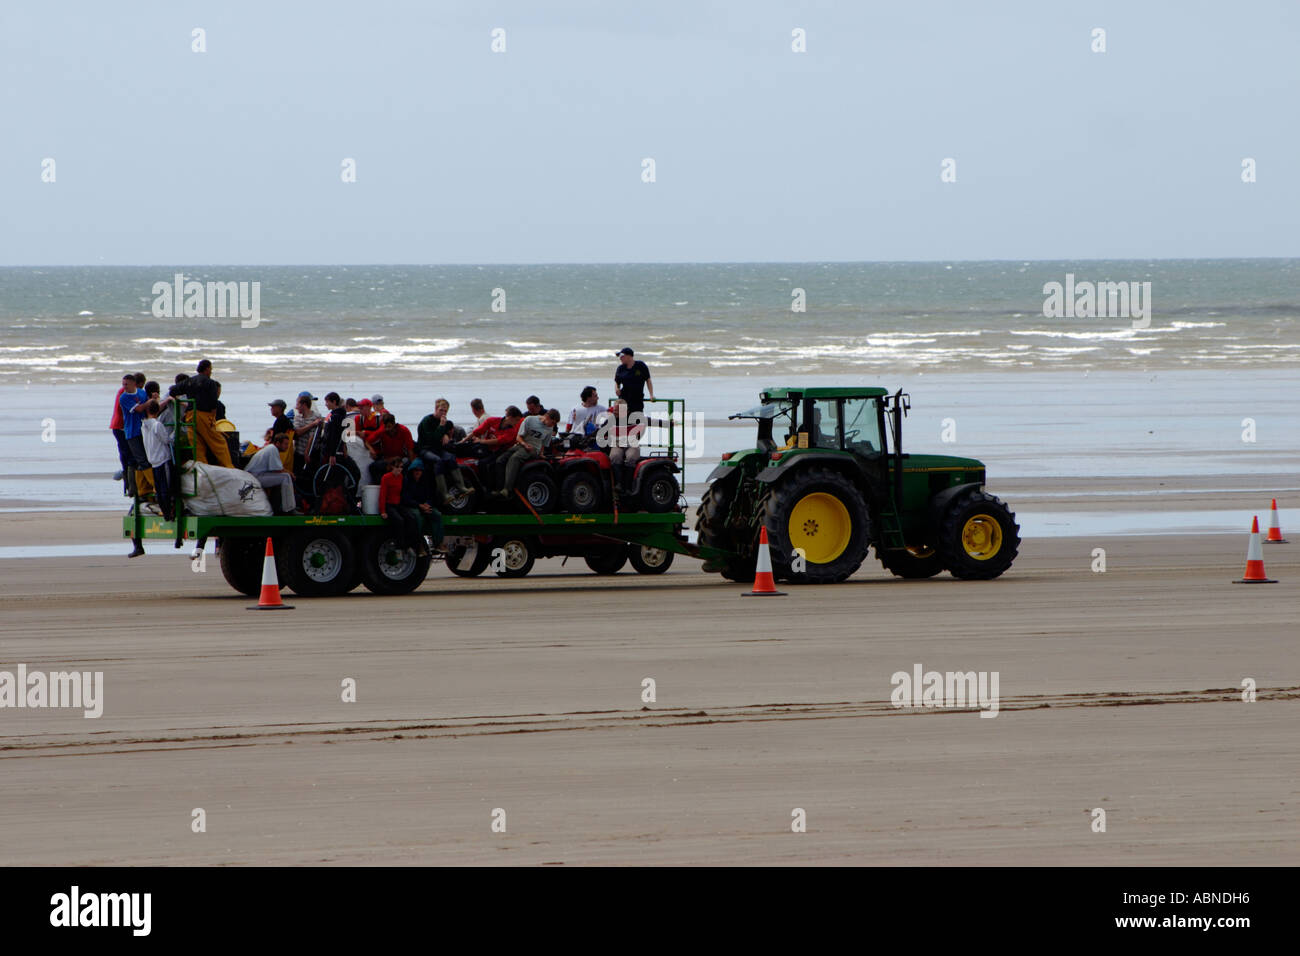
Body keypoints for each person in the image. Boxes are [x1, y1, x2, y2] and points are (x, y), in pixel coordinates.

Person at [167, 359, 233, 467]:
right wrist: (212, 419)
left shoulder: (189, 381)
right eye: (211, 369)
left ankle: (203, 470)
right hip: (203, 416)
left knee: (198, 446)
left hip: (190, 417)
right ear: (207, 369)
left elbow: (172, 391)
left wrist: (180, 402)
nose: (211, 371)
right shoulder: (210, 382)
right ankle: (229, 467)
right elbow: (213, 403)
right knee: (219, 443)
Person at [491, 408, 560, 499]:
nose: (553, 425)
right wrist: (524, 444)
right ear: (547, 417)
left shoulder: (549, 428)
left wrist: (541, 453)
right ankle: (499, 488)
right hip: (522, 444)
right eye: (553, 422)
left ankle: (507, 489)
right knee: (500, 460)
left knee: (515, 458)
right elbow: (518, 437)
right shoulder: (530, 420)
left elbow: (544, 444)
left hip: (534, 449)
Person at [415, 398, 471, 505]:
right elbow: (432, 439)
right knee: (438, 461)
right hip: (425, 449)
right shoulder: (427, 421)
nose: (443, 413)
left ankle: (461, 486)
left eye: (445, 411)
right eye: (441, 410)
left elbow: (442, 436)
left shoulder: (444, 422)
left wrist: (445, 434)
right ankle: (444, 493)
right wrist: (441, 427)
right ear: (436, 409)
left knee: (450, 457)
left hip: (437, 449)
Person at [119, 374, 155, 499]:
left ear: (134, 384)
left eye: (126, 384)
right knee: (141, 459)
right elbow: (139, 408)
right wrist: (149, 402)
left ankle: (144, 488)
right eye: (123, 384)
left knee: (147, 459)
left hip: (143, 430)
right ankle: (153, 486)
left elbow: (147, 409)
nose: (124, 387)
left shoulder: (141, 393)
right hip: (132, 432)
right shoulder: (123, 398)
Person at [379, 457, 423, 556]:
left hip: (398, 504)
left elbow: (403, 493)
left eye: (401, 467)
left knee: (411, 518)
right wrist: (382, 511)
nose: (399, 469)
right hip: (389, 505)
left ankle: (411, 545)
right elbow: (383, 495)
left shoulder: (401, 477)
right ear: (392, 467)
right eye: (397, 467)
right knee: (399, 521)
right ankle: (400, 547)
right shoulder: (386, 477)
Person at [246, 433, 298, 514]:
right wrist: (290, 473)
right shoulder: (273, 449)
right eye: (285, 444)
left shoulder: (270, 448)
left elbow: (276, 469)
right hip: (255, 477)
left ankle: (277, 506)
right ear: (277, 443)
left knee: (282, 477)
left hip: (256, 475)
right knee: (286, 477)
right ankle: (289, 508)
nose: (287, 446)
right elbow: (277, 469)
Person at [140, 400, 176, 520]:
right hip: (163, 459)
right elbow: (166, 440)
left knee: (159, 489)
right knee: (166, 488)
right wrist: (175, 433)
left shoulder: (144, 425)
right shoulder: (157, 425)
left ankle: (165, 512)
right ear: (158, 411)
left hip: (153, 461)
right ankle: (168, 513)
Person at [602, 398, 645, 494]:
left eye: (617, 410)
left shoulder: (634, 418)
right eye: (614, 409)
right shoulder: (611, 420)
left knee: (631, 457)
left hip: (631, 443)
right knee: (614, 457)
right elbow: (601, 432)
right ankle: (619, 484)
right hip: (617, 444)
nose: (614, 411)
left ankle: (629, 485)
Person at [400, 458, 439, 555]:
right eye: (415, 470)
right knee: (417, 518)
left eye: (419, 470)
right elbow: (405, 499)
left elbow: (431, 495)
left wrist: (428, 504)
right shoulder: (407, 481)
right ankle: (418, 544)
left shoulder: (426, 481)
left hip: (424, 506)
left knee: (437, 514)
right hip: (411, 506)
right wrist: (419, 505)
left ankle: (438, 543)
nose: (417, 472)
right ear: (412, 471)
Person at [364, 412, 414, 483]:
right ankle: (380, 486)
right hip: (387, 459)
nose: (388, 429)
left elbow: (410, 449)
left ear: (394, 424)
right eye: (386, 427)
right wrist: (371, 449)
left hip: (400, 458)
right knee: (373, 467)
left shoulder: (404, 430)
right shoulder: (382, 431)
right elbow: (367, 441)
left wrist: (412, 466)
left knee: (406, 465)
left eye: (389, 426)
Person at [109, 375, 132, 495]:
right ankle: (127, 478)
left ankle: (126, 475)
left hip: (119, 426)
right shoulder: (125, 393)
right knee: (126, 453)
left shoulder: (125, 392)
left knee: (125, 452)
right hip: (120, 426)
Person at [614, 347, 654, 414]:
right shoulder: (620, 368)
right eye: (619, 356)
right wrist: (617, 389)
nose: (620, 358)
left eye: (622, 356)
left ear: (629, 356)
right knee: (622, 421)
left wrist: (651, 395)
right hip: (623, 399)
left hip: (637, 400)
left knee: (636, 420)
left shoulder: (640, 365)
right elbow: (617, 382)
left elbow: (648, 380)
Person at [291, 395, 322, 472]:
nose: (296, 407)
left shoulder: (316, 416)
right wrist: (312, 424)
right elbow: (297, 432)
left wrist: (307, 452)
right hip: (298, 451)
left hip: (312, 453)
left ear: (304, 405)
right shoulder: (297, 417)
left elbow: (312, 436)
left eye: (298, 404)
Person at [265, 399, 296, 470]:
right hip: (287, 454)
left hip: (281, 455)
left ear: (279, 408)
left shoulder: (280, 421)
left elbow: (275, 441)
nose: (271, 409)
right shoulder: (285, 420)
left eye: (273, 407)